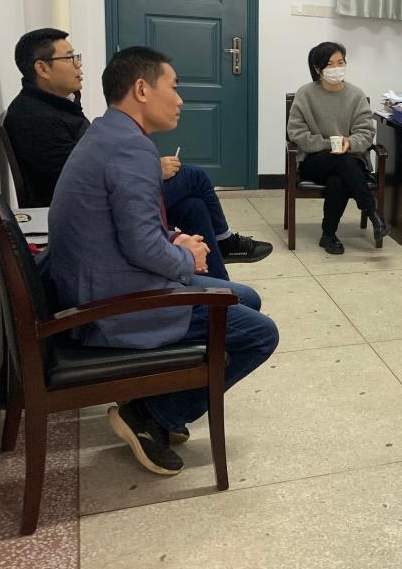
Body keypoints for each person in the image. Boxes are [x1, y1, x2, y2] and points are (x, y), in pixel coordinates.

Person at [42, 46, 279, 476]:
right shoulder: (130, 150)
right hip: (110, 306)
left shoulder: (108, 134)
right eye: (173, 87)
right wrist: (185, 256)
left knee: (245, 297)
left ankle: (157, 396)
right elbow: (142, 248)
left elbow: (131, 228)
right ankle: (152, 415)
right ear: (141, 89)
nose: (180, 99)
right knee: (261, 334)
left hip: (98, 283)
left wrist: (176, 239)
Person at [6, 28, 271, 280]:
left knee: (193, 207)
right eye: (70, 58)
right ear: (42, 68)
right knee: (195, 178)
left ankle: (218, 287)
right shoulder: (33, 117)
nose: (79, 65)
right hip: (93, 211)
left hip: (104, 198)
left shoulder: (61, 106)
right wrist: (153, 169)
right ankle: (224, 246)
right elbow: (76, 178)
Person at [287, 41, 388, 255]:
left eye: (340, 62)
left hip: (350, 158)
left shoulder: (356, 95)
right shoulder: (305, 94)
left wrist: (349, 143)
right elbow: (296, 133)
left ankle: (328, 235)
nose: (336, 68)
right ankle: (372, 213)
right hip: (315, 161)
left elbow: (366, 132)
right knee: (342, 161)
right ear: (318, 69)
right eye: (330, 64)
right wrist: (329, 144)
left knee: (339, 178)